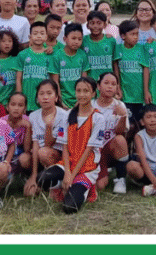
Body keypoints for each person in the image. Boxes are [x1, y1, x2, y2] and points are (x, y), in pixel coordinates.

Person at [36, 77, 107, 214]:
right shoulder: (68, 116)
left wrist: (72, 175)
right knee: (42, 179)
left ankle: (88, 188)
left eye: (86, 91)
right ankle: (61, 186)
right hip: (68, 164)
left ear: (93, 93)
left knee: (69, 207)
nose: (82, 94)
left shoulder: (98, 118)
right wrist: (67, 172)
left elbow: (88, 150)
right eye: (78, 90)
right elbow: (64, 146)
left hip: (87, 168)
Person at [25, 79, 67, 197]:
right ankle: (37, 178)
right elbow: (35, 143)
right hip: (40, 156)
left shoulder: (64, 116)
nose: (45, 97)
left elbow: (50, 145)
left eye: (49, 93)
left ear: (56, 97)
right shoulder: (33, 116)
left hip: (58, 156)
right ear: (37, 98)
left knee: (43, 152)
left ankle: (53, 181)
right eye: (41, 94)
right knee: (29, 193)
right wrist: (33, 176)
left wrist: (49, 126)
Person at [92, 73, 130, 194]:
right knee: (100, 186)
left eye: (113, 84)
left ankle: (120, 178)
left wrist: (123, 116)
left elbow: (120, 132)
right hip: (93, 151)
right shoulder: (90, 105)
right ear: (98, 86)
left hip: (111, 150)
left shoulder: (119, 105)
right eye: (106, 83)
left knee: (120, 140)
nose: (110, 87)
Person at [49, 23, 91, 108]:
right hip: (63, 100)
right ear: (65, 39)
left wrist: (80, 100)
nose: (76, 42)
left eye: (79, 39)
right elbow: (55, 81)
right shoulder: (57, 56)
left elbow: (84, 81)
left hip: (79, 100)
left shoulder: (82, 55)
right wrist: (60, 101)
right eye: (73, 38)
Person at [17, 21, 51, 113]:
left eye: (42, 33)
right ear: (30, 37)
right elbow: (18, 78)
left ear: (46, 36)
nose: (39, 36)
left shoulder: (50, 54)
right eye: (35, 33)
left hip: (45, 100)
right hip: (27, 99)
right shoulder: (22, 54)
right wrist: (19, 98)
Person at [84, 11, 117, 79]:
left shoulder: (111, 40)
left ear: (104, 25)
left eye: (99, 23)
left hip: (107, 83)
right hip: (90, 83)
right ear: (87, 25)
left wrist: (117, 83)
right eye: (92, 23)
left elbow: (115, 63)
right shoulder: (83, 41)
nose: (95, 26)